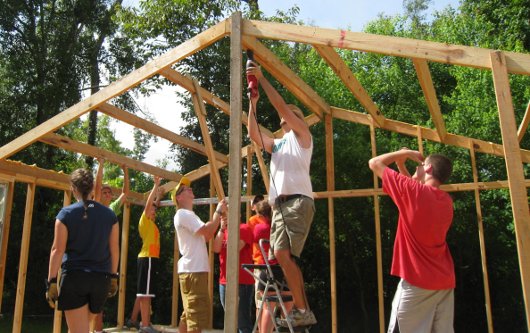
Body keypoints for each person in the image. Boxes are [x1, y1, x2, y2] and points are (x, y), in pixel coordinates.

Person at [246, 64, 316, 327]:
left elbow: (283, 108)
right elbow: (253, 134)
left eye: (288, 114)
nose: (283, 116)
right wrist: (253, 103)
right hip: (281, 207)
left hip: (298, 201)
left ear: (295, 118)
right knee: (280, 254)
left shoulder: (302, 137)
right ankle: (300, 308)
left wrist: (262, 80)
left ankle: (301, 308)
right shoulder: (278, 144)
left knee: (283, 255)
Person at [368, 148, 455, 333]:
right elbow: (412, 191)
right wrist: (401, 164)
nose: (418, 167)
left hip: (417, 281)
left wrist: (403, 153)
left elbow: (374, 163)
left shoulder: (414, 193)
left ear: (429, 168)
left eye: (421, 165)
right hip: (443, 281)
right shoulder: (446, 201)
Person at [46, 168, 119, 333]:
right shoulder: (110, 216)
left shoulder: (65, 214)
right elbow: (114, 249)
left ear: (73, 189)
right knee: (80, 328)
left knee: (79, 330)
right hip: (101, 280)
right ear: (93, 188)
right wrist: (114, 276)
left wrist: (51, 281)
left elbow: (57, 250)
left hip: (75, 279)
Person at [173, 177, 226, 333]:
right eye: (185, 189)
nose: (190, 189)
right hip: (193, 271)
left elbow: (207, 234)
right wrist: (218, 211)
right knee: (196, 317)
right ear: (179, 197)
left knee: (189, 314)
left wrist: (218, 220)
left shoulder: (190, 215)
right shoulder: (183, 214)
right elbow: (209, 232)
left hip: (193, 270)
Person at [93, 159, 129, 333]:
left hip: (105, 260)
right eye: (104, 192)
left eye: (109, 193)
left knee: (99, 301)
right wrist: (101, 164)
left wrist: (126, 170)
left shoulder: (112, 209)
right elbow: (97, 185)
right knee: (88, 300)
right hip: (92, 256)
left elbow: (125, 193)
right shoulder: (94, 206)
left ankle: (97, 331)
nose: (107, 194)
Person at [252, 200, 293, 333]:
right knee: (287, 307)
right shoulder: (283, 225)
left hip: (269, 270)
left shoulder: (260, 228)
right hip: (287, 268)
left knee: (267, 308)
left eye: (258, 215)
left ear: (263, 216)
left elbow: (258, 248)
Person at [213, 211, 254, 333]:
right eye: (225, 214)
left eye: (229, 212)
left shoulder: (244, 228)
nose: (226, 216)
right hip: (224, 280)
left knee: (242, 322)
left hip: (242, 281)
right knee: (230, 320)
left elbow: (234, 248)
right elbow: (215, 248)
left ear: (238, 214)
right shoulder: (223, 232)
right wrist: (221, 229)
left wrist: (228, 229)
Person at [135, 176, 164, 333]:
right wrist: (155, 186)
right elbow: (149, 205)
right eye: (152, 208)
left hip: (151, 259)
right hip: (147, 259)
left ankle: (145, 323)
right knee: (145, 294)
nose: (154, 209)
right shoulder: (144, 220)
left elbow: (154, 205)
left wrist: (159, 197)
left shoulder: (151, 222)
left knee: (147, 293)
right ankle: (145, 326)